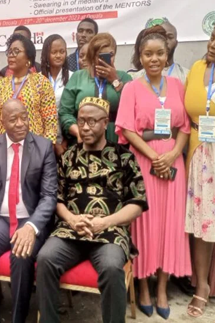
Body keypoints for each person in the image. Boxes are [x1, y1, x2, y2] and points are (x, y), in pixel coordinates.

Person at [37, 97, 148, 323]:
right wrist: (71, 219)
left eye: (92, 121)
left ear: (105, 122)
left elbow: (137, 204)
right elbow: (56, 198)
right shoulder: (68, 157)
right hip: (71, 229)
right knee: (46, 258)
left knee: (110, 266)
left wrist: (105, 222)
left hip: (110, 231)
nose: (85, 127)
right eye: (81, 121)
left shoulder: (123, 157)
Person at [116, 28, 191, 319]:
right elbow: (126, 128)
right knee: (145, 224)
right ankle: (143, 286)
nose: (154, 58)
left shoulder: (176, 84)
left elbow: (184, 127)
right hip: (144, 164)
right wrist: (154, 157)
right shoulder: (132, 87)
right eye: (148, 54)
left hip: (173, 165)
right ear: (140, 56)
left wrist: (172, 155)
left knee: (168, 226)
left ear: (167, 54)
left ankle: (162, 288)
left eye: (159, 53)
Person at [0, 99, 57, 323]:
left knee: (21, 254)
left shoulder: (44, 147)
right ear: (2, 122)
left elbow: (49, 197)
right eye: (13, 119)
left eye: (24, 117)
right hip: (0, 219)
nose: (20, 123)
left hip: (30, 219)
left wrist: (31, 226)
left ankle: (18, 318)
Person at [184, 26, 215, 317]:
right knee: (202, 223)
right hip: (198, 152)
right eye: (214, 37)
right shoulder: (196, 67)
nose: (214, 44)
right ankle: (202, 285)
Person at [59, 33, 132, 145]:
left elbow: (131, 109)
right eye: (100, 56)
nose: (106, 60)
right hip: (83, 137)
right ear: (92, 56)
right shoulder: (78, 77)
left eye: (110, 55)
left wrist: (115, 80)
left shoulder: (124, 77)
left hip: (115, 139)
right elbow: (65, 112)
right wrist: (79, 132)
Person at [0, 33, 58, 143]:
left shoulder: (41, 82)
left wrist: (45, 151)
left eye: (16, 51)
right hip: (5, 149)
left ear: (28, 57)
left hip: (34, 148)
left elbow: (50, 123)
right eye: (9, 52)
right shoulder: (1, 85)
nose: (11, 55)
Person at [40, 34, 74, 156]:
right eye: (54, 52)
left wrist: (64, 142)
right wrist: (53, 144)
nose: (58, 55)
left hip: (67, 140)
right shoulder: (38, 79)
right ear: (46, 54)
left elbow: (74, 111)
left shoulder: (73, 77)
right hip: (42, 141)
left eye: (62, 51)